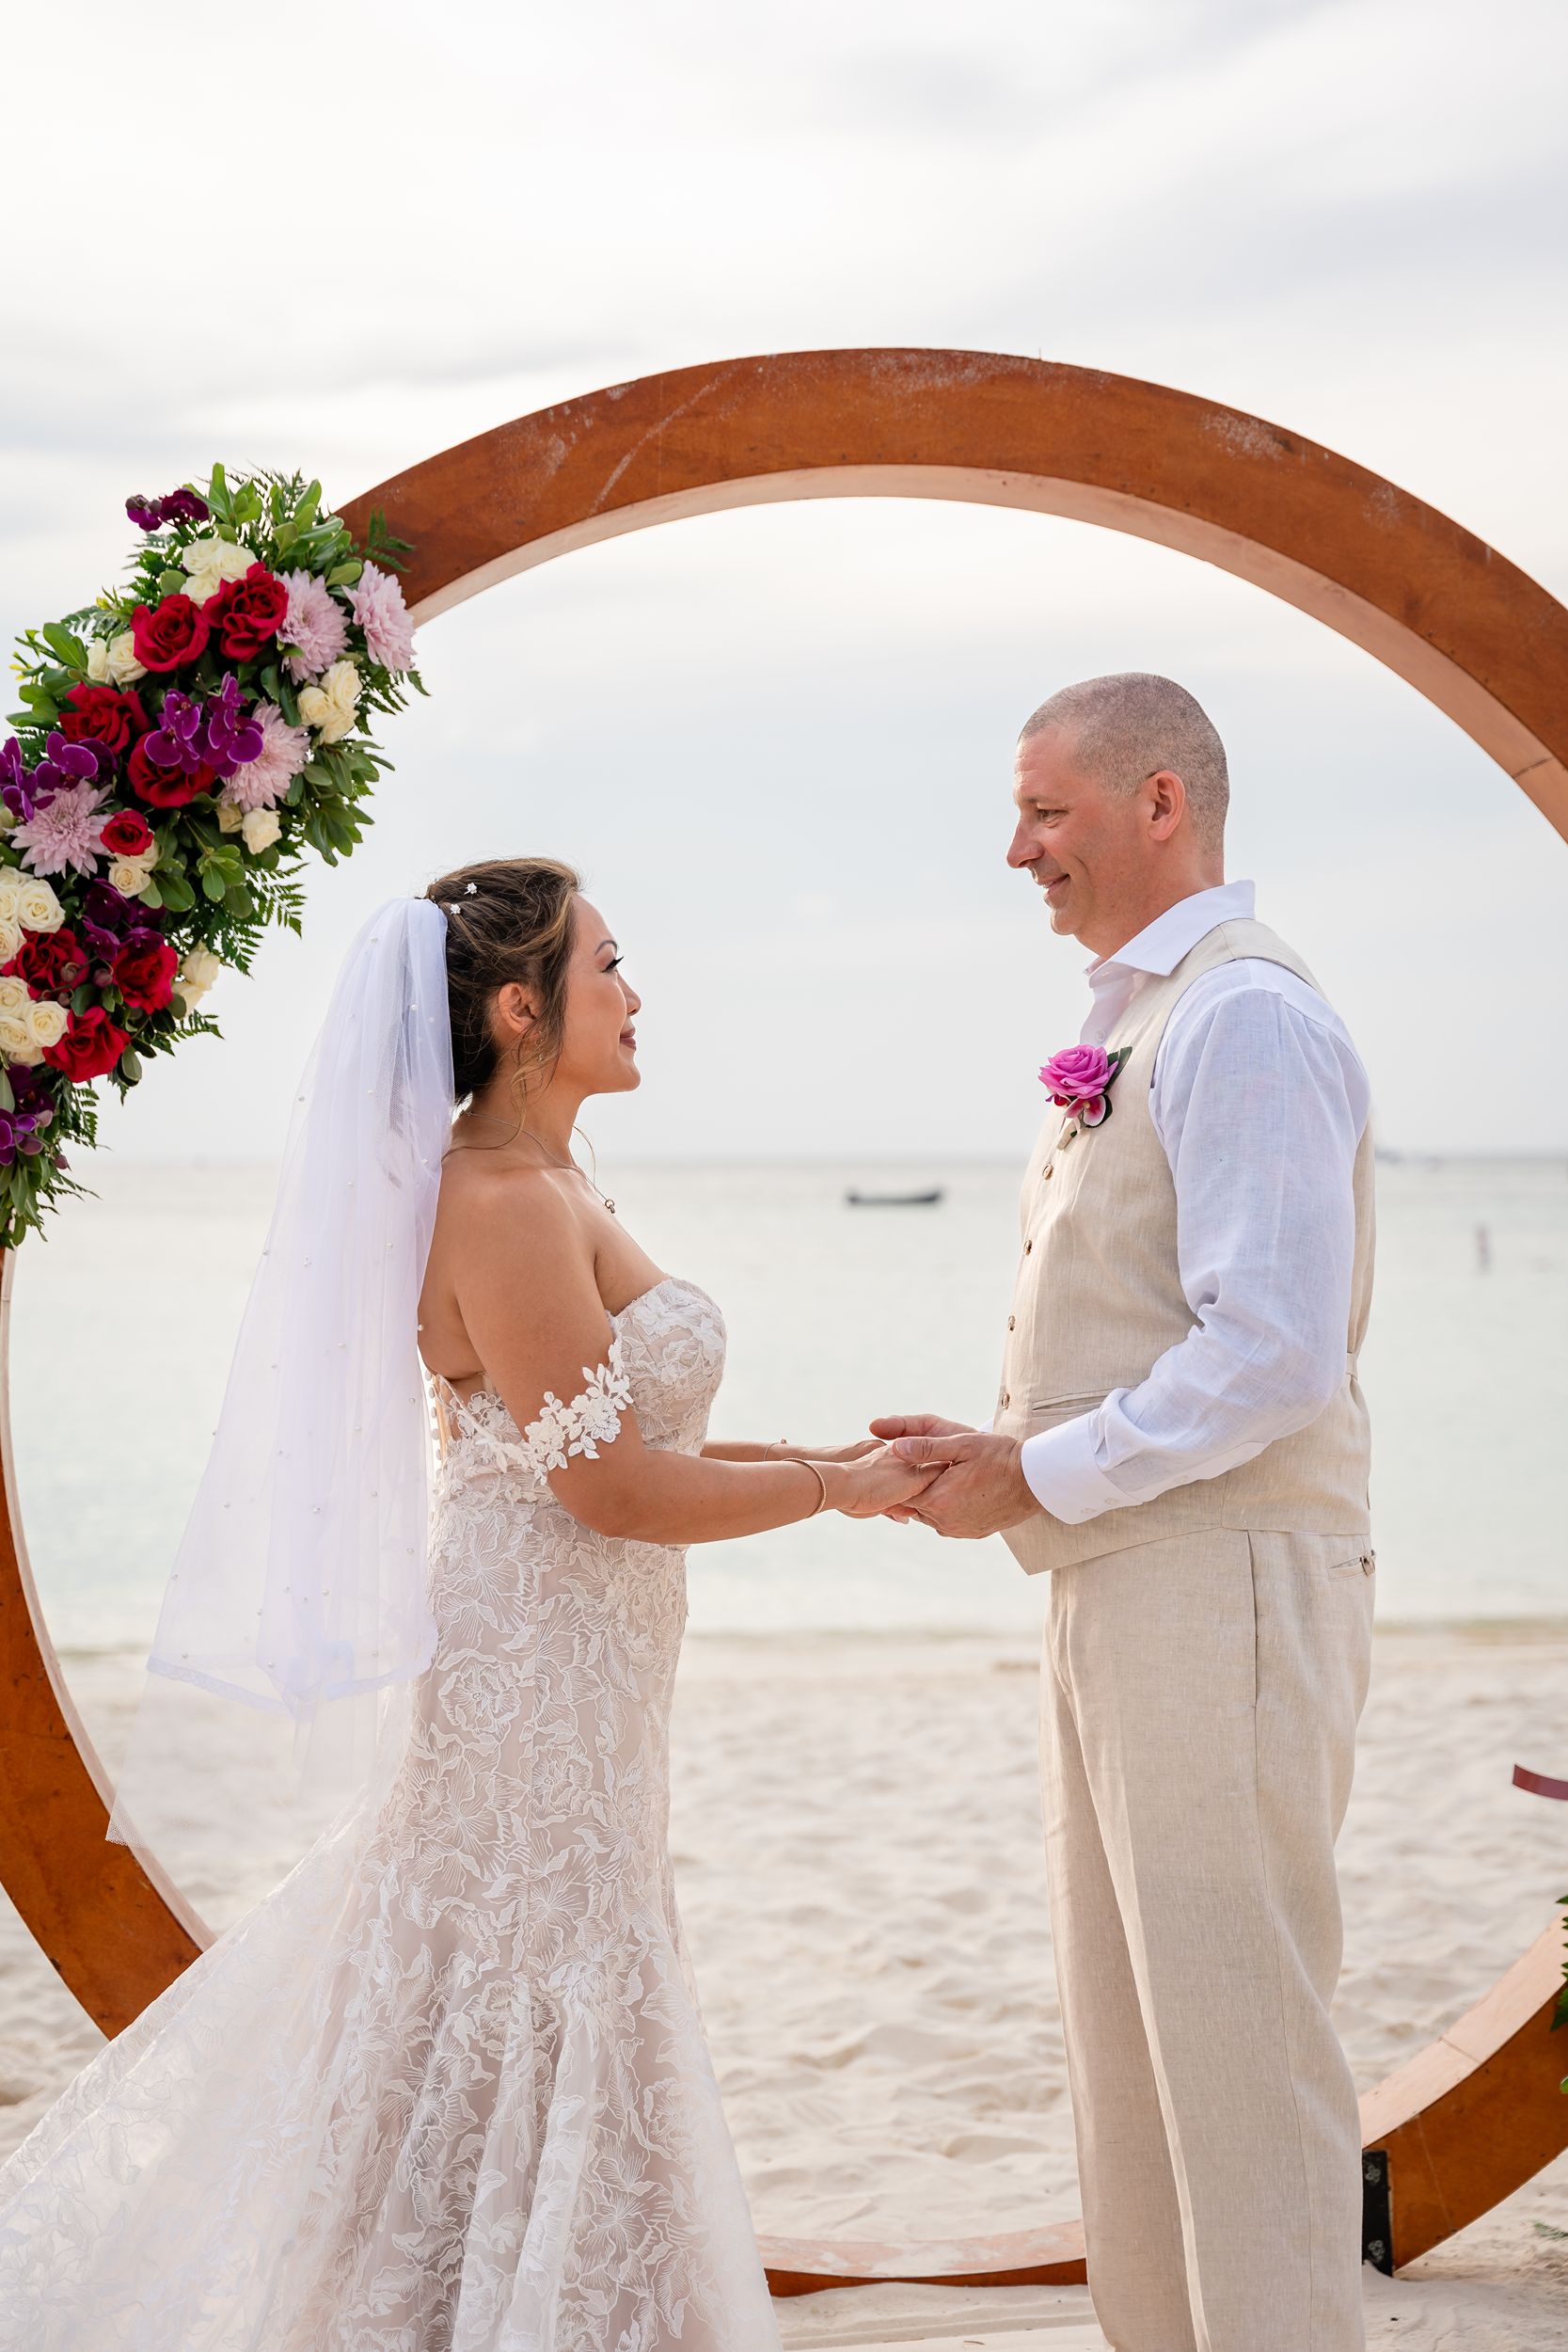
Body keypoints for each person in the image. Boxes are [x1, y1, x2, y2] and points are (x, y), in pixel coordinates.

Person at [0, 856, 934, 2352]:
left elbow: (633, 1448)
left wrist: (845, 1461)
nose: (635, 996)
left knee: (521, 1970)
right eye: (607, 967)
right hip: (533, 1661)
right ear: (518, 1008)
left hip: (589, 1654)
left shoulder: (558, 1177)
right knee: (531, 1961)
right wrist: (835, 1496)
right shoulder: (494, 1199)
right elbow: (610, 1492)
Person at [876, 674, 1377, 2352]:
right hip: (1121, 1577)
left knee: (1239, 2047)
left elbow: (1277, 1352)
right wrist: (1010, 1452)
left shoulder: (1245, 1017)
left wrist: (1038, 1465)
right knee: (1130, 2054)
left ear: (1163, 803)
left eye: (1047, 811)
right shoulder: (1143, 1020)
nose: (1016, 849)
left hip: (1220, 1584)